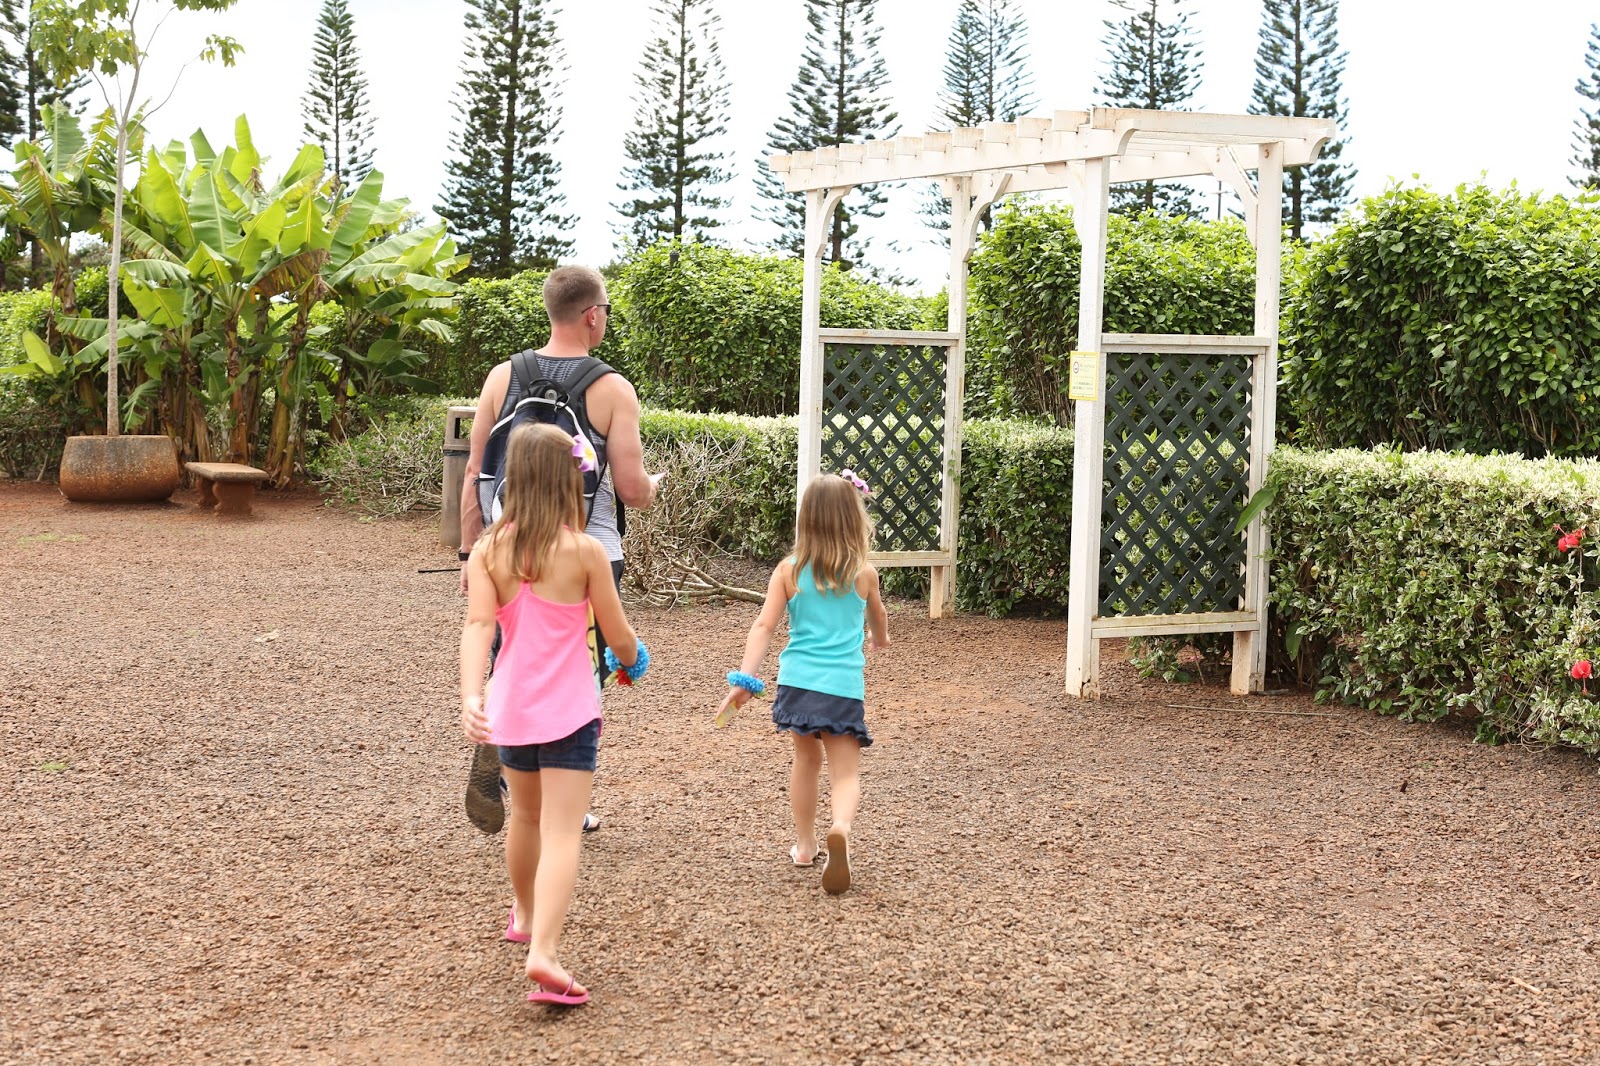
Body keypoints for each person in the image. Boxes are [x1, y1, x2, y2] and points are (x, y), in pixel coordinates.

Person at [458, 265, 660, 834]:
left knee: (512, 655)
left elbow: (475, 470)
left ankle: (503, 744)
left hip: (505, 545)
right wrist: (653, 486)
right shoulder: (612, 388)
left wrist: (472, 551)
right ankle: (564, 795)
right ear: (592, 315)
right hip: (586, 548)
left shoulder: (502, 376)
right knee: (576, 669)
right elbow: (630, 489)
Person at [460, 422, 645, 1007]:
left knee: (525, 817)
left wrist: (471, 696)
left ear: (513, 480)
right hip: (570, 712)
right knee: (563, 832)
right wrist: (633, 659)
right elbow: (617, 635)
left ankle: (523, 913)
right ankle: (544, 951)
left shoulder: (489, 550)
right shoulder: (586, 552)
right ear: (571, 483)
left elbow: (478, 626)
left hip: (510, 709)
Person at [717, 472, 890, 895]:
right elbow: (878, 618)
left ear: (806, 519)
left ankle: (806, 845)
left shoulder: (788, 571)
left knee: (806, 761)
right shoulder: (864, 573)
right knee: (845, 773)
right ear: (854, 518)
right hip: (843, 686)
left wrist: (746, 678)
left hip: (797, 683)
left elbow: (764, 626)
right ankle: (841, 827)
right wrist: (879, 638)